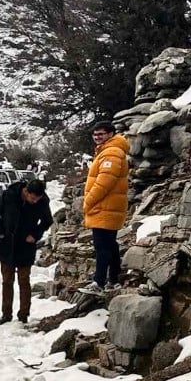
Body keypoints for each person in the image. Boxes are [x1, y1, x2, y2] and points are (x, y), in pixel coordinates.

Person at [0, 179, 53, 327]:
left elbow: (47, 220)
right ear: (26, 191)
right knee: (7, 281)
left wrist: (35, 235)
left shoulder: (42, 201)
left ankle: (23, 315)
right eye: (32, 198)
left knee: (24, 281)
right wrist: (0, 234)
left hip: (26, 245)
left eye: (37, 199)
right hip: (7, 245)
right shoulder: (9, 195)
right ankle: (6, 314)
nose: (35, 201)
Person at [79, 121, 130, 295]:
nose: (97, 137)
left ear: (111, 134)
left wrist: (88, 202)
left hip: (104, 207)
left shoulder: (111, 153)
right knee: (110, 244)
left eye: (101, 134)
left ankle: (98, 282)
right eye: (95, 134)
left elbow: (104, 182)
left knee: (102, 246)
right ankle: (114, 279)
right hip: (108, 207)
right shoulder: (108, 151)